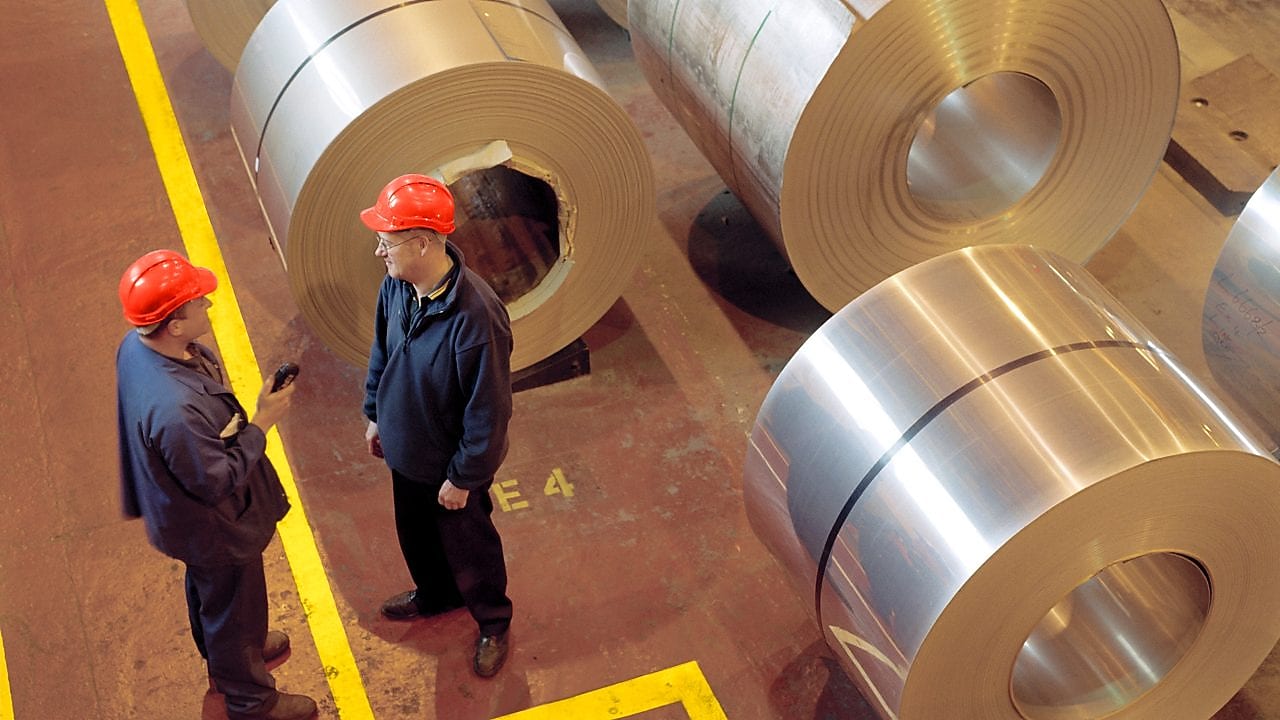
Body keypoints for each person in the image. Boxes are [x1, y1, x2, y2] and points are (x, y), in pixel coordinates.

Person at [115, 250, 317, 720]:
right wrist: (262, 423)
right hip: (214, 527)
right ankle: (250, 699)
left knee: (214, 594)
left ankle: (227, 650)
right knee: (233, 602)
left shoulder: (136, 345)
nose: (209, 305)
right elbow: (216, 480)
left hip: (180, 518)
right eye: (198, 303)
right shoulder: (175, 410)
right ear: (175, 326)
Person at [359, 173, 514, 678]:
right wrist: (375, 413)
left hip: (450, 468)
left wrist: (465, 477)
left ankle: (493, 621)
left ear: (422, 243)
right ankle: (436, 594)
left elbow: (488, 411)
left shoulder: (476, 318)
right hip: (406, 452)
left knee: (470, 547)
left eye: (387, 243)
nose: (380, 253)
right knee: (416, 537)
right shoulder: (396, 286)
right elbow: (382, 351)